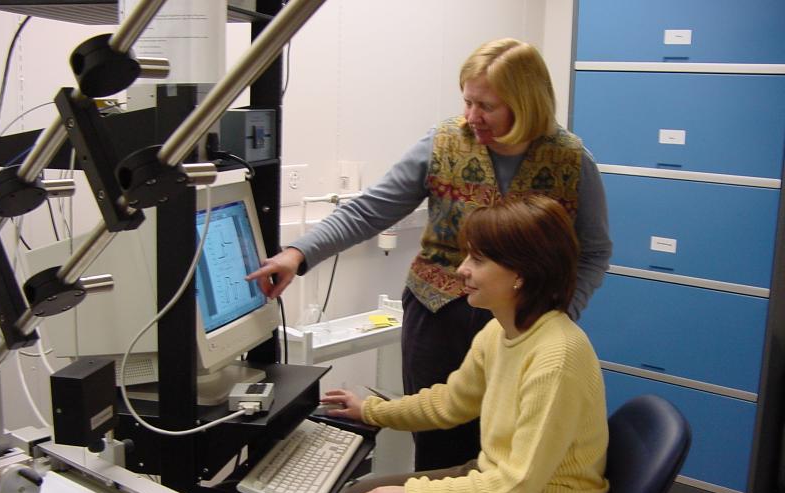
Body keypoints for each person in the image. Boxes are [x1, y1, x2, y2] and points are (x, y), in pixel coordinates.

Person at [246, 38, 611, 471]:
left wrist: (563, 312)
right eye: (467, 101)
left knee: (509, 446)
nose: (472, 116)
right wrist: (298, 253)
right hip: (440, 316)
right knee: (438, 444)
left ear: (526, 103)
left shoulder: (570, 160)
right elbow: (369, 210)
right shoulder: (443, 143)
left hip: (524, 322)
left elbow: (593, 250)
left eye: (487, 106)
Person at [320, 195, 609, 493]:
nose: (462, 270)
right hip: (504, 489)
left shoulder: (555, 358)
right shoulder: (501, 332)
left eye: (478, 260)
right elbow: (449, 403)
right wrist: (371, 410)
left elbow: (515, 483)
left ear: (520, 275)